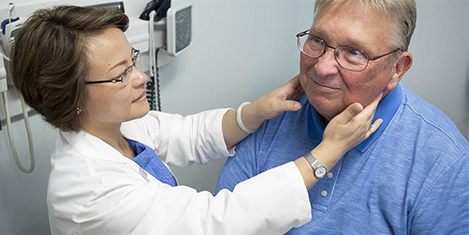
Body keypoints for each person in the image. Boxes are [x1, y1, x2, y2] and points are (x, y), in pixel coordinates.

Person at [10, 5, 383, 235]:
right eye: (121, 74)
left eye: (134, 61)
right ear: (71, 94)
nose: (141, 78)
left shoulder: (115, 126)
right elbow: (213, 222)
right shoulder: (87, 192)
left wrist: (253, 112)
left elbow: (187, 134)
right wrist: (324, 155)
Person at [217, 0, 469, 234]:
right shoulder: (272, 117)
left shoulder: (445, 161)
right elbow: (223, 224)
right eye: (317, 40)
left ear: (397, 68)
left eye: (355, 52)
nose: (322, 67)